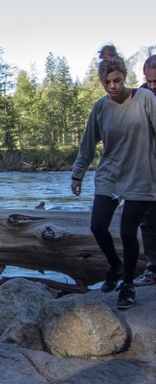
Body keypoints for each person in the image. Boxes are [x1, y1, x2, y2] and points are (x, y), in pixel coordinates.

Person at [71, 45, 156, 310]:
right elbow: (87, 145)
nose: (112, 86)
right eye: (107, 82)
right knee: (98, 226)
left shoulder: (145, 99)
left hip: (141, 174)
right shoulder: (99, 108)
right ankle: (116, 266)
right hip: (109, 174)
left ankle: (127, 285)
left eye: (116, 80)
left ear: (124, 76)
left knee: (128, 230)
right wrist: (78, 175)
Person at [134, 54, 156, 286]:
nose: (152, 86)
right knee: (148, 221)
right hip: (147, 169)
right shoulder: (141, 95)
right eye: (148, 81)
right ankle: (153, 269)